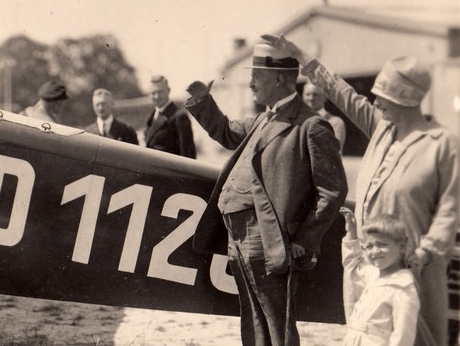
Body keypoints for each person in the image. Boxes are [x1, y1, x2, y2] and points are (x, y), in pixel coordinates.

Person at [263, 34, 459, 346]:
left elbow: (449, 212)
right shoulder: (382, 128)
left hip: (414, 274)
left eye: (383, 96)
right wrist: (302, 56)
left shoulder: (442, 145)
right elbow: (343, 94)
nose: (376, 102)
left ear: (405, 100)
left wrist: (423, 254)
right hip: (373, 265)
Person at [185, 44, 348, 346]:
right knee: (252, 317)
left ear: (280, 80)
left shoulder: (311, 126)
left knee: (277, 324)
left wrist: (303, 240)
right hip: (237, 237)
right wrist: (202, 102)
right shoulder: (263, 119)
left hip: (269, 239)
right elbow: (227, 131)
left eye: (256, 76)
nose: (250, 84)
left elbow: (333, 191)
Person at [340, 208, 420, 346]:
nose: (375, 251)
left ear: (402, 247)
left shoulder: (402, 289)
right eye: (369, 246)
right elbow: (352, 265)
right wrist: (351, 234)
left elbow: (403, 337)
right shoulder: (373, 274)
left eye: (382, 244)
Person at [144, 75, 196, 158]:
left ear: (168, 91)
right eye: (153, 93)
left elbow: (188, 155)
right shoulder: (152, 117)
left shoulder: (179, 117)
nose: (156, 96)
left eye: (160, 92)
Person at [302, 81, 346, 152]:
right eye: (307, 94)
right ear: (302, 96)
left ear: (324, 97)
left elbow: (335, 153)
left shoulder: (335, 123)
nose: (311, 98)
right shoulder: (297, 120)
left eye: (315, 94)